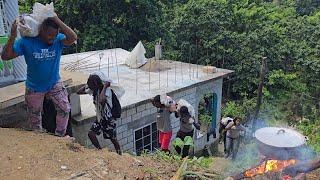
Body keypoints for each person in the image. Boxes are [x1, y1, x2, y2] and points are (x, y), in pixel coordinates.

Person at [1, 14, 77, 137]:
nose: (52, 39)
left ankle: (60, 137)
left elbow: (73, 37)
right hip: (34, 87)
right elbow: (5, 56)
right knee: (35, 119)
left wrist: (56, 20)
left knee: (65, 108)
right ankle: (40, 139)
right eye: (49, 35)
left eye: (54, 35)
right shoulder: (26, 42)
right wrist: (12, 37)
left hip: (54, 83)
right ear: (41, 30)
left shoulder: (58, 39)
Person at [77, 73, 122, 155]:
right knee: (91, 134)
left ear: (96, 85)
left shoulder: (107, 91)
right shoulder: (95, 90)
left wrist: (105, 87)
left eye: (91, 85)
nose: (90, 88)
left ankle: (120, 155)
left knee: (113, 139)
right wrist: (87, 85)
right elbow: (78, 92)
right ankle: (100, 151)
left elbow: (102, 100)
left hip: (109, 119)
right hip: (100, 118)